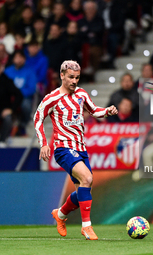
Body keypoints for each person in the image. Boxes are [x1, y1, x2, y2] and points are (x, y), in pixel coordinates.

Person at [33, 60, 118, 240]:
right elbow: (38, 118)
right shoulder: (52, 98)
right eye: (71, 77)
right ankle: (86, 227)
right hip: (63, 148)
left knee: (83, 191)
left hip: (81, 148)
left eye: (77, 78)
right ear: (62, 75)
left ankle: (61, 214)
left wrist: (107, 111)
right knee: (87, 178)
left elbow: (94, 111)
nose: (74, 81)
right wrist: (44, 143)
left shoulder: (81, 94)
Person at [0, 61, 23, 147]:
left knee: (8, 118)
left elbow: (19, 95)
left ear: (1, 70)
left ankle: (2, 140)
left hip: (1, 111)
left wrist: (11, 109)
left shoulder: (6, 81)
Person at [5, 50, 37, 136]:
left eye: (20, 57)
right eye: (16, 57)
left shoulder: (30, 71)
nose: (18, 59)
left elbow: (31, 89)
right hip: (9, 97)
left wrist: (18, 94)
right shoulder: (7, 71)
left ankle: (23, 125)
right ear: (13, 59)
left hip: (24, 97)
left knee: (25, 105)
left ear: (24, 59)